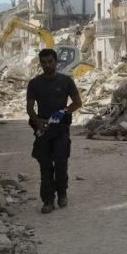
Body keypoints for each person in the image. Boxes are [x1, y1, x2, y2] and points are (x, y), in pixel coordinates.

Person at [26, 49, 82, 213]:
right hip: (43, 130)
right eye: (44, 62)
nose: (47, 65)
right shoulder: (35, 83)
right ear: (40, 63)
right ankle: (48, 200)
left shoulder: (66, 81)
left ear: (56, 62)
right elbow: (29, 108)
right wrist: (37, 121)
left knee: (61, 163)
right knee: (45, 166)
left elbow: (77, 103)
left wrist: (64, 111)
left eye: (50, 61)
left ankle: (62, 193)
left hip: (61, 128)